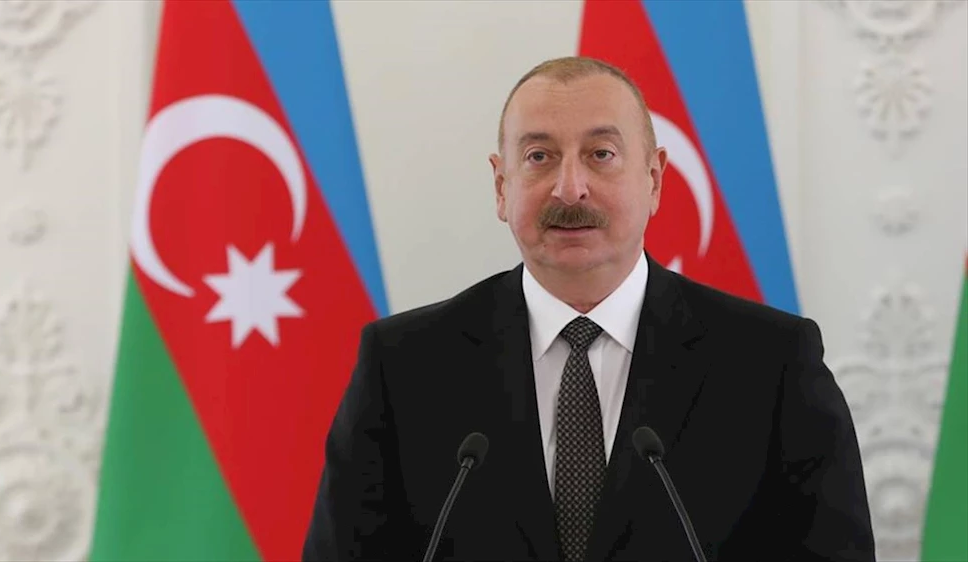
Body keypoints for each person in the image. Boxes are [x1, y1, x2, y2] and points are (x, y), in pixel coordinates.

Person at [302, 56, 875, 561]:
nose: (569, 188)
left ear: (654, 180)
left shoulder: (771, 363)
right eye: (539, 157)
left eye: (601, 154)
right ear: (501, 187)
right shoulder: (404, 364)